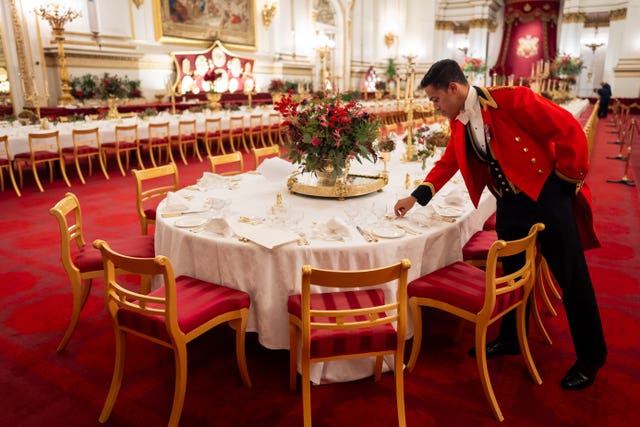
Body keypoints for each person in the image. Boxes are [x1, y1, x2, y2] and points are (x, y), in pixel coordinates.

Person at [394, 59, 607, 390]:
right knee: (510, 274)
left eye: (436, 99)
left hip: (546, 196)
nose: (435, 107)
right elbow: (449, 160)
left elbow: (567, 128)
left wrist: (565, 182)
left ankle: (591, 357)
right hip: (509, 202)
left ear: (454, 88)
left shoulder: (511, 99)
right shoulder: (460, 121)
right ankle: (510, 337)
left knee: (572, 276)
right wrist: (416, 196)